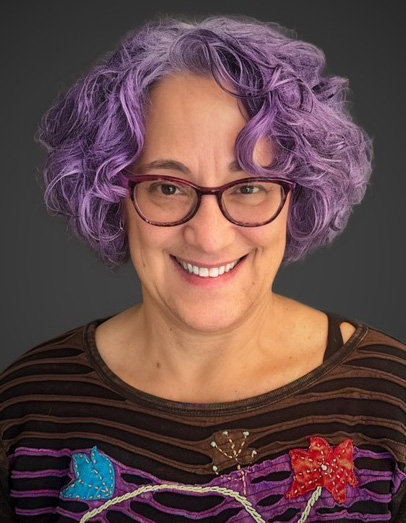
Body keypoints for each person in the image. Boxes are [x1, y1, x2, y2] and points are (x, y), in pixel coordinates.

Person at [0, 14, 404, 523]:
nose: (209, 236)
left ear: (299, 197)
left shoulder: (392, 400)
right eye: (168, 187)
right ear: (111, 196)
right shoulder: (26, 408)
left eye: (249, 186)